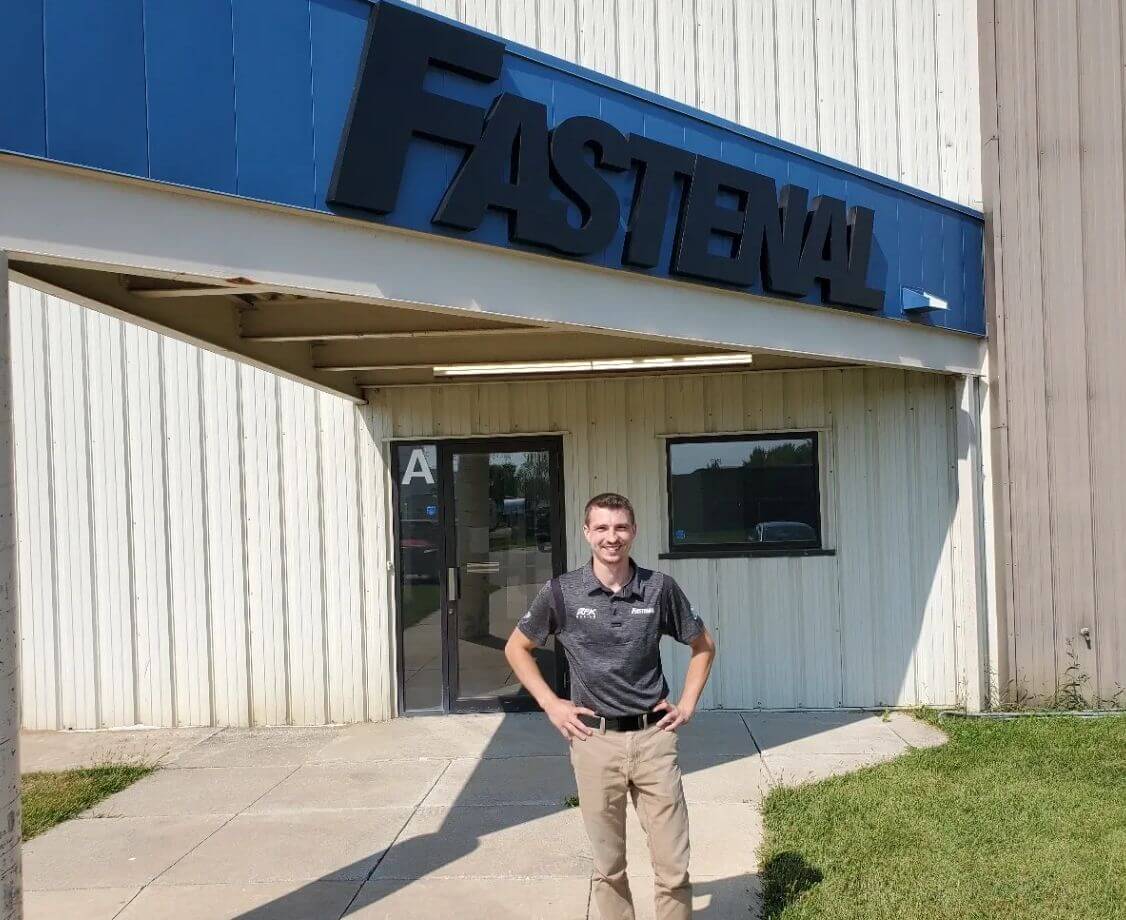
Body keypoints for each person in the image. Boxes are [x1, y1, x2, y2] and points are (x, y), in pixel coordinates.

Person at [504, 492, 717, 920]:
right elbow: (517, 647)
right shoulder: (562, 592)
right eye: (601, 528)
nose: (611, 537)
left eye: (620, 527)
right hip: (594, 743)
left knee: (673, 868)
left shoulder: (659, 588)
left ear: (633, 532)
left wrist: (688, 704)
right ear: (587, 533)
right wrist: (552, 704)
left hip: (654, 739)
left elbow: (703, 645)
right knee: (609, 868)